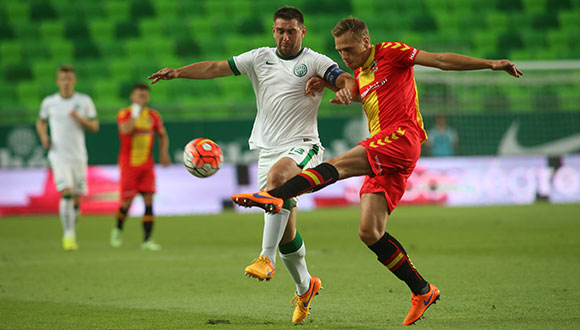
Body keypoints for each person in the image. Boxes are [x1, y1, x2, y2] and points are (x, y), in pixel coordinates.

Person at [232, 16, 523, 326]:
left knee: (341, 164)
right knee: (369, 232)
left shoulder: (392, 52)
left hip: (402, 137)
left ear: (365, 42)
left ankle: (275, 196)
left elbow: (439, 60)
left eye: (348, 49)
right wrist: (329, 84)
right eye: (339, 51)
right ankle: (422, 290)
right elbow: (356, 90)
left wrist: (491, 64)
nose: (344, 56)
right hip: (384, 152)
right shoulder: (360, 73)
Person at [148, 6, 355, 324]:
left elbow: (342, 77)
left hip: (303, 146)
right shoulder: (260, 57)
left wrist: (337, 86)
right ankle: (305, 287)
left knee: (277, 182)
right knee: (287, 233)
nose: (285, 36)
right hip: (266, 149)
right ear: (274, 32)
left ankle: (264, 258)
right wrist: (178, 72)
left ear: (303, 31)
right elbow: (216, 67)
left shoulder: (314, 61)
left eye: (291, 31)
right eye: (280, 30)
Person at [36, 64, 99, 251]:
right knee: (67, 192)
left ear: (74, 81)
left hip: (78, 156)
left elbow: (95, 127)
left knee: (78, 198)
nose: (65, 83)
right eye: (62, 79)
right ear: (57, 81)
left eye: (69, 79)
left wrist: (80, 119)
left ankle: (71, 229)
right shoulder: (49, 102)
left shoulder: (84, 101)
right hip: (58, 155)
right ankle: (68, 236)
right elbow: (41, 122)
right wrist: (44, 136)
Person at [110, 83, 171, 251]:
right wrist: (136, 113)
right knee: (126, 203)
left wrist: (164, 153)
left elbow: (163, 135)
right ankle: (118, 228)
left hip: (147, 166)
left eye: (145, 95)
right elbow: (125, 130)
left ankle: (147, 239)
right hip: (129, 165)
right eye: (139, 94)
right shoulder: (125, 114)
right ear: (132, 96)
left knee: (149, 200)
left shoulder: (153, 115)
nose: (142, 97)